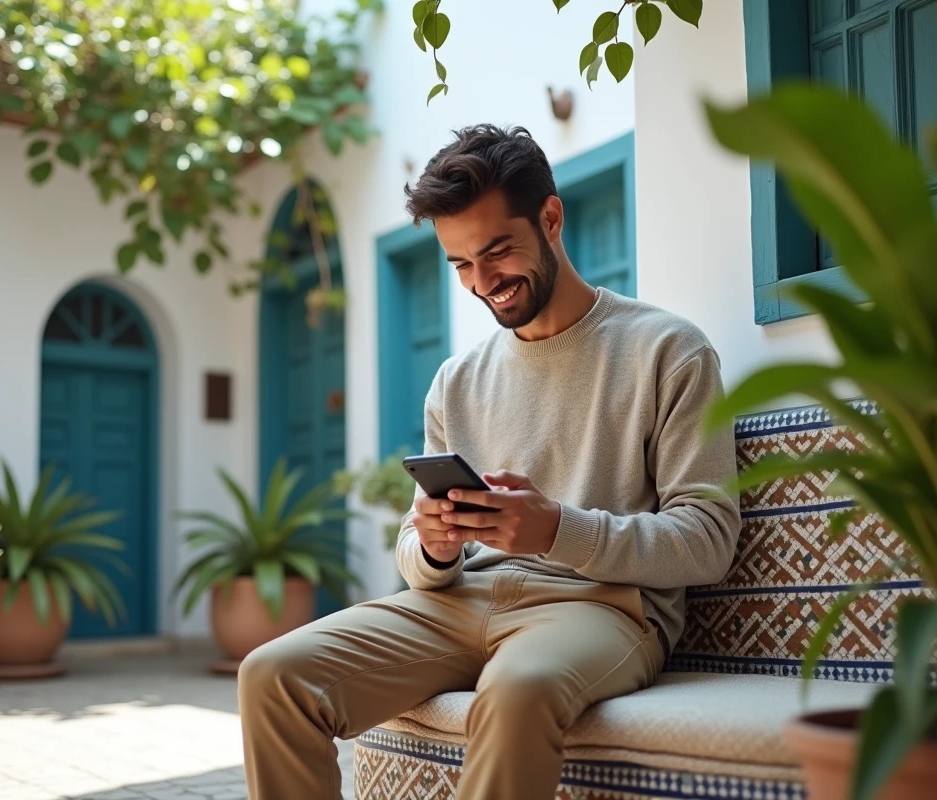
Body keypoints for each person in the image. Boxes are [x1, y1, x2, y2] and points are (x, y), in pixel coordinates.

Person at [237, 124, 742, 800]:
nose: (482, 283)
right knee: (272, 675)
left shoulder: (668, 351)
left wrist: (555, 529)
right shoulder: (456, 380)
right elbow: (414, 550)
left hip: (600, 608)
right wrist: (435, 547)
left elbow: (708, 539)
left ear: (551, 218)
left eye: (498, 252)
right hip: (458, 603)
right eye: (461, 265)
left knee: (516, 689)